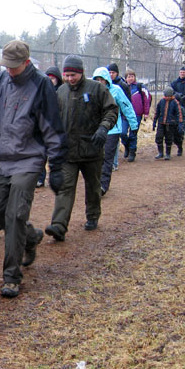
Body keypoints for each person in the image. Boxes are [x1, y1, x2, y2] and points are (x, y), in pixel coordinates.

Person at [0, 40, 66, 298]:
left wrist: (56, 166)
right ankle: (30, 237)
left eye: (14, 66)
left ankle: (11, 276)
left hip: (29, 158)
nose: (10, 70)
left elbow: (52, 127)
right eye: (7, 66)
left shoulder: (41, 85)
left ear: (27, 63)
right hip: (1, 157)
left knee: (15, 215)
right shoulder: (1, 80)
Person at [46, 55, 118, 242]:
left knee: (93, 186)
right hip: (68, 152)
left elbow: (111, 110)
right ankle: (59, 225)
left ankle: (92, 215)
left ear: (81, 73)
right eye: (67, 75)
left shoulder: (97, 89)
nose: (70, 79)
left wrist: (103, 128)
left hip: (92, 149)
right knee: (65, 188)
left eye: (73, 75)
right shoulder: (61, 92)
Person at [92, 67, 137, 196]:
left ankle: (103, 186)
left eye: (101, 79)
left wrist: (133, 124)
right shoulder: (92, 92)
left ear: (106, 80)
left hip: (112, 129)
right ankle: (96, 182)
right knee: (96, 158)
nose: (99, 82)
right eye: (97, 79)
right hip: (96, 130)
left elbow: (126, 106)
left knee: (107, 157)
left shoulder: (116, 90)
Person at [124, 69, 151, 162]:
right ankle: (127, 146)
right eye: (128, 77)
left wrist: (146, 112)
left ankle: (132, 152)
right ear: (126, 78)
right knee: (122, 133)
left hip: (137, 114)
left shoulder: (140, 87)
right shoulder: (122, 87)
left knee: (133, 134)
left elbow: (147, 99)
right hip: (124, 115)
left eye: (132, 76)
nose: (130, 78)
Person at [152, 87, 183, 160]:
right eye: (166, 96)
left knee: (169, 139)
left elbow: (179, 114)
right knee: (158, 137)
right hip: (161, 123)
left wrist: (179, 124)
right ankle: (160, 153)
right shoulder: (161, 102)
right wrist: (154, 122)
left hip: (171, 124)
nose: (168, 97)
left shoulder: (175, 102)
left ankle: (168, 154)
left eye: (169, 96)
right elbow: (157, 112)